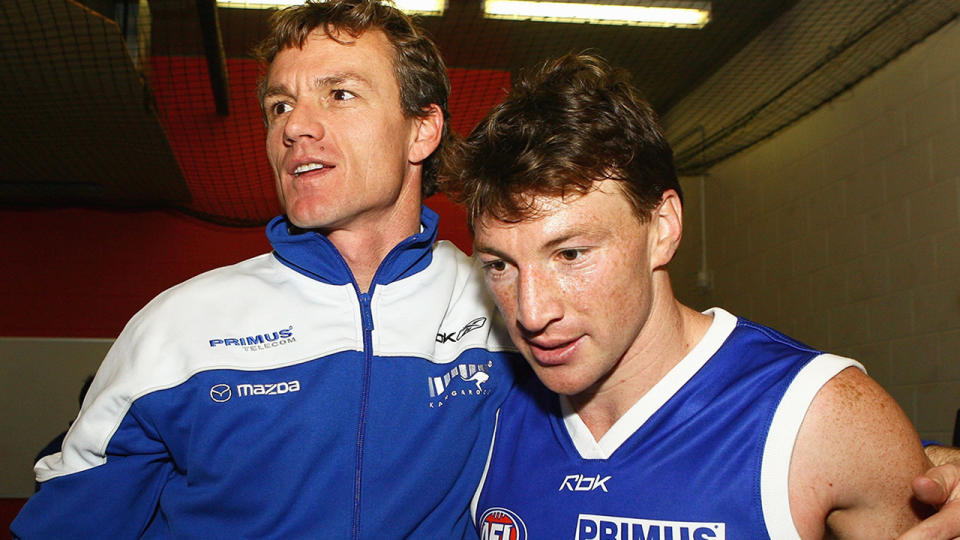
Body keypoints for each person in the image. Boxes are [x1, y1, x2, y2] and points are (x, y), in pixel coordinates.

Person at [11, 1, 518, 538]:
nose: (295, 126)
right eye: (279, 106)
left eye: (339, 94)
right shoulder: (180, 325)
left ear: (422, 130)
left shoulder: (511, 308)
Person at [448, 51, 956, 539]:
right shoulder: (480, 417)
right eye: (499, 265)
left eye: (572, 254)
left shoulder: (817, 414)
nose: (532, 312)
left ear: (663, 228)